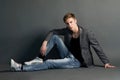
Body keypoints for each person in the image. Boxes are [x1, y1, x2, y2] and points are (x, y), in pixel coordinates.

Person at [11, 12, 115, 71]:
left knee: (49, 62)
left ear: (75, 21)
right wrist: (44, 42)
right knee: (55, 37)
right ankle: (39, 58)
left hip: (77, 61)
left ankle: (20, 68)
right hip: (68, 55)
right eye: (67, 23)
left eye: (71, 22)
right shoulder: (67, 31)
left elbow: (97, 47)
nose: (70, 25)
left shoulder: (86, 33)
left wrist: (106, 62)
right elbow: (52, 31)